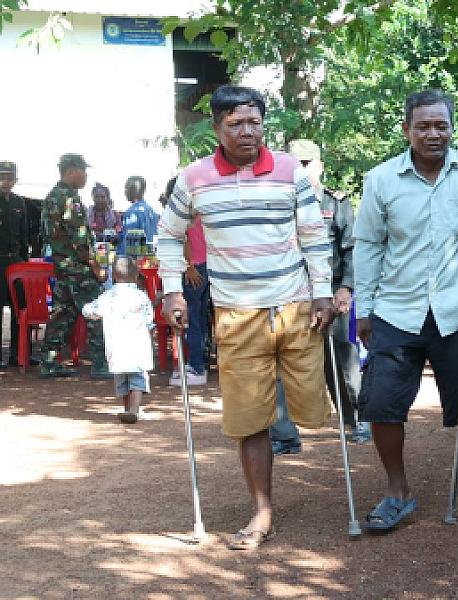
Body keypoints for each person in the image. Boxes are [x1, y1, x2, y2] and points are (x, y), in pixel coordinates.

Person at [158, 85, 336, 550]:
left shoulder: (288, 169)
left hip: (296, 307)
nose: (247, 131)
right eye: (236, 123)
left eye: (254, 122)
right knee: (249, 419)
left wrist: (323, 294)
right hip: (237, 315)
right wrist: (172, 293)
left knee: (312, 410)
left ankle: (301, 485)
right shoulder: (194, 178)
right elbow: (167, 237)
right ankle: (262, 514)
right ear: (217, 128)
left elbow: (315, 235)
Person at [354, 89, 458, 532]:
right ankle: (396, 490)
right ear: (407, 130)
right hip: (394, 311)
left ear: (451, 127)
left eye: (441, 125)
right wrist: (365, 308)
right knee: (382, 404)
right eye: (423, 126)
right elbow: (368, 246)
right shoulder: (381, 180)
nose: (433, 133)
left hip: (454, 312)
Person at [269, 138, 366, 454]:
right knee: (283, 365)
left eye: (307, 163)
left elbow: (352, 250)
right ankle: (285, 435)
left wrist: (346, 288)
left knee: (341, 360)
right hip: (289, 296)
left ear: (320, 165)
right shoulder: (276, 203)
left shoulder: (336, 203)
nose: (301, 170)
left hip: (333, 297)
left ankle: (359, 419)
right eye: (295, 163)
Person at [39, 154, 108, 379]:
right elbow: (80, 240)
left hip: (62, 267)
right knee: (97, 311)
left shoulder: (52, 196)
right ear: (71, 171)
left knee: (61, 315)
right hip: (78, 270)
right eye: (83, 171)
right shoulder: (70, 199)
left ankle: (48, 363)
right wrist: (95, 267)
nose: (86, 176)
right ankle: (100, 364)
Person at [82, 257, 154, 423]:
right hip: (138, 345)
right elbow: (149, 319)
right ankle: (134, 410)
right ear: (137, 276)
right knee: (137, 378)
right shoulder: (141, 297)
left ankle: (128, 409)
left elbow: (91, 311)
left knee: (122, 379)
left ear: (113, 275)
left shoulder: (108, 296)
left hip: (117, 347)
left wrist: (84, 308)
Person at [169, 175, 209, 388]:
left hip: (194, 269)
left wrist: (190, 266)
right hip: (206, 267)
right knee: (200, 318)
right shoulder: (203, 212)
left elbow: (184, 242)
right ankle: (199, 361)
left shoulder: (186, 215)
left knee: (193, 318)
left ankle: (196, 366)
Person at [0, 160, 30, 368]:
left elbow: (25, 234)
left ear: (16, 179)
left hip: (16, 262)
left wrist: (24, 262)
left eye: (10, 177)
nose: (6, 181)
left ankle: (18, 355)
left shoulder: (20, 203)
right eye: (2, 176)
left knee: (20, 309)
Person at [117, 176, 159, 257]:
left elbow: (132, 248)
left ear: (133, 190)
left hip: (136, 261)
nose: (125, 192)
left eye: (126, 188)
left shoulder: (132, 212)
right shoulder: (151, 211)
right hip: (150, 259)